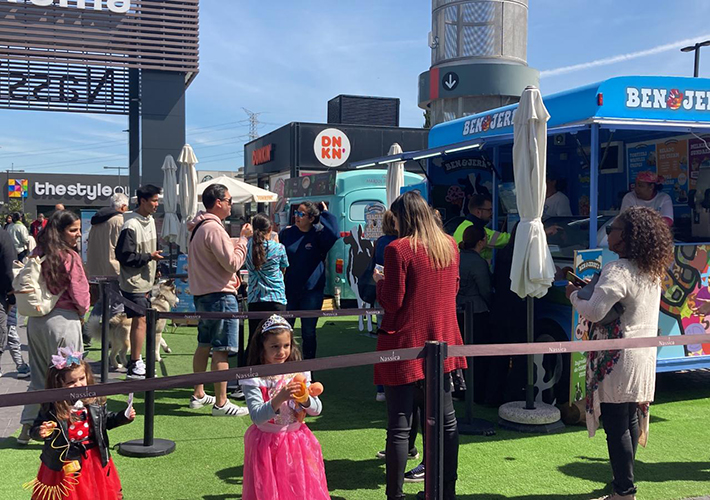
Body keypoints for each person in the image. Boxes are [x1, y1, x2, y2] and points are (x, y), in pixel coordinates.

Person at [566, 207, 673, 500]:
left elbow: (595, 310)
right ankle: (623, 484)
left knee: (617, 426)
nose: (608, 233)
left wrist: (574, 295)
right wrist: (593, 289)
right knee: (629, 420)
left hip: (617, 359)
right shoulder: (651, 269)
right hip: (642, 356)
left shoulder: (618, 269)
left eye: (612, 228)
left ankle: (624, 491)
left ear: (626, 236)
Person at [372, 191, 466, 500]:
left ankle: (395, 495)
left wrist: (380, 282)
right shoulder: (450, 246)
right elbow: (453, 289)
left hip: (405, 342)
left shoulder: (398, 249)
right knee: (445, 422)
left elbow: (392, 301)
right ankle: (444, 491)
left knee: (400, 424)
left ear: (402, 218)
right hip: (443, 341)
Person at [18, 210, 90, 445]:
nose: (78, 234)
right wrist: (83, 312)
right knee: (71, 377)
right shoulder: (69, 256)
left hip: (36, 321)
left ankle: (28, 427)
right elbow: (80, 294)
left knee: (39, 378)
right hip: (64, 321)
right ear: (60, 232)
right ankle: (72, 429)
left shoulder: (38, 252)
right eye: (73, 230)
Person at [239, 314, 329, 500]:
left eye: (286, 346)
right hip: (266, 443)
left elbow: (317, 410)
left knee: (298, 487)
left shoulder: (299, 371)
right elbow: (256, 416)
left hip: (297, 440)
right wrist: (279, 398)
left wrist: (305, 399)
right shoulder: (254, 377)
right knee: (269, 489)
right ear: (261, 346)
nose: (281, 351)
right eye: (274, 346)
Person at [27, 349, 135, 500]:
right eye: (71, 382)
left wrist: (124, 417)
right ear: (58, 384)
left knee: (96, 492)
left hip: (94, 458)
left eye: (82, 378)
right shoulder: (52, 406)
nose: (78, 384)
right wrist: (41, 431)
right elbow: (34, 430)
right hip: (65, 462)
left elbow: (105, 421)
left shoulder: (94, 401)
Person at [188, 184, 251, 417]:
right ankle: (222, 403)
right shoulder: (213, 228)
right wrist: (243, 241)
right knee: (222, 349)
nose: (230, 204)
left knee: (204, 344)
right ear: (218, 202)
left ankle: (199, 393)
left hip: (203, 294)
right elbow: (232, 263)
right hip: (220, 295)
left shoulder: (198, 227)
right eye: (229, 200)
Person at [280, 201, 338, 359]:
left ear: (311, 218)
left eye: (301, 214)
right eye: (296, 213)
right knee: (285, 330)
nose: (296, 217)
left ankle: (308, 369)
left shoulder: (319, 235)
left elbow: (334, 233)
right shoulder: (287, 233)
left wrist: (325, 213)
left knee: (309, 332)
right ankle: (286, 368)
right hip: (289, 290)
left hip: (312, 292)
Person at [115, 184, 163, 380]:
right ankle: (135, 362)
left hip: (146, 279)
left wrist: (155, 266)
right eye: (153, 200)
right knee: (140, 320)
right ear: (142, 201)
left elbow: (153, 248)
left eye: (157, 200)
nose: (156, 204)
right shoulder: (131, 225)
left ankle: (137, 360)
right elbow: (124, 255)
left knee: (142, 321)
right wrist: (149, 257)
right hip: (134, 281)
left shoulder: (149, 220)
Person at [457, 224, 493, 404]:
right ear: (481, 241)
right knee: (477, 355)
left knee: (459, 352)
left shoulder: (456, 257)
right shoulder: (478, 262)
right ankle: (475, 392)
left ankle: (459, 389)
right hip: (476, 312)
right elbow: (485, 289)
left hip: (457, 310)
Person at [86, 193, 129, 326]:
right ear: (122, 207)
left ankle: (88, 330)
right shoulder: (119, 221)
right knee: (117, 302)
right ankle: (112, 334)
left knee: (103, 300)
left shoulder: (97, 221)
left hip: (98, 268)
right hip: (114, 267)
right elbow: (123, 245)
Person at [245, 213, 289, 345]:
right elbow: (284, 268)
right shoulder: (278, 248)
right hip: (276, 298)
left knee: (255, 340)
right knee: (276, 340)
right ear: (270, 229)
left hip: (254, 298)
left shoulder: (247, 246)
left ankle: (252, 365)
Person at [373, 210, 398, 402]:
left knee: (383, 340)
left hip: (381, 293)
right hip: (393, 294)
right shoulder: (397, 244)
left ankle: (381, 388)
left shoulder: (380, 242)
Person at [0, 225, 28, 378]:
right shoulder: (4, 236)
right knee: (9, 331)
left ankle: (20, 364)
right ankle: (21, 365)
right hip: (4, 294)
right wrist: (11, 295)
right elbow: (8, 268)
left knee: (9, 332)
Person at [452, 195, 510, 263]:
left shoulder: (462, 227)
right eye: (489, 210)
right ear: (478, 212)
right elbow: (505, 239)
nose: (491, 213)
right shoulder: (476, 230)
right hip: (475, 269)